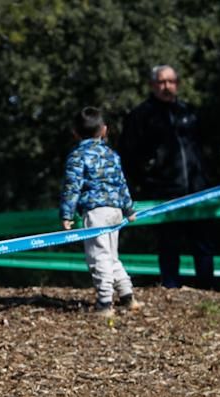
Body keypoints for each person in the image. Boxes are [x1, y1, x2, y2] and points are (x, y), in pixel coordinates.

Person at [120, 65, 212, 289]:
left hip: (197, 189)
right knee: (169, 243)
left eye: (171, 81)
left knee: (203, 243)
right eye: (161, 82)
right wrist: (145, 182)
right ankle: (171, 287)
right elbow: (129, 155)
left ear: (177, 84)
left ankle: (207, 287)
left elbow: (204, 147)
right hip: (164, 191)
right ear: (152, 85)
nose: (166, 86)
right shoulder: (141, 116)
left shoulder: (189, 112)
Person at [60, 107, 143, 318]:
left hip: (96, 212)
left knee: (98, 257)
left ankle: (105, 303)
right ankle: (127, 296)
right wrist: (128, 208)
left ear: (75, 133)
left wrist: (67, 214)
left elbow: (72, 187)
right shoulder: (111, 154)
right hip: (115, 210)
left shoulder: (77, 156)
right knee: (111, 255)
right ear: (104, 130)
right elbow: (121, 182)